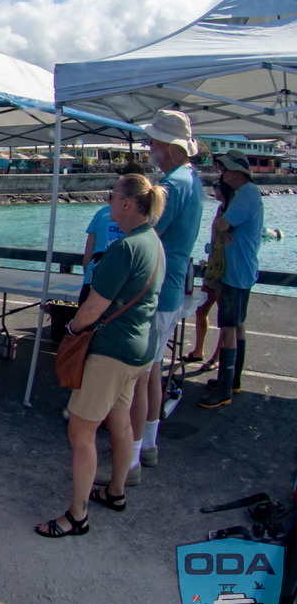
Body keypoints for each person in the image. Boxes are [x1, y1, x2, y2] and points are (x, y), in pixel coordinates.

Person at [35, 174, 165, 538]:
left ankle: (77, 515)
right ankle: (116, 491)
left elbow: (93, 307)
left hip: (112, 352)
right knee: (119, 420)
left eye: (112, 196)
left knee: (81, 432)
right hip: (140, 349)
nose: (108, 202)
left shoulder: (125, 248)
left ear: (126, 203)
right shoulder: (153, 240)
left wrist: (71, 330)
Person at [110, 110, 202, 484]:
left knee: (137, 377)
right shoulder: (191, 180)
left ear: (169, 146)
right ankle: (147, 445)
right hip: (172, 287)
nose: (149, 146)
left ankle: (130, 462)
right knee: (152, 372)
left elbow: (146, 237)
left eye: (153, 141)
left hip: (156, 291)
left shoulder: (172, 185)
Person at [199, 150, 264, 409]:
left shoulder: (246, 194)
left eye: (225, 168)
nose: (222, 173)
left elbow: (221, 225)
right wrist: (226, 226)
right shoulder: (249, 193)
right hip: (243, 269)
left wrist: (224, 226)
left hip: (235, 272)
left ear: (238, 171)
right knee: (237, 324)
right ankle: (232, 380)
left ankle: (224, 390)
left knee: (228, 327)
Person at [184, 179, 235, 368]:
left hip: (224, 267)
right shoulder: (220, 209)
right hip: (212, 265)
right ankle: (198, 351)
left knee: (223, 316)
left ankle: (216, 357)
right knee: (201, 309)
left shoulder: (232, 212)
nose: (214, 190)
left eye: (216, 188)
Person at [78, 199, 125, 305]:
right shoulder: (134, 218)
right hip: (119, 273)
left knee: (84, 307)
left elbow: (89, 248)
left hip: (96, 267)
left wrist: (87, 272)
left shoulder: (101, 213)